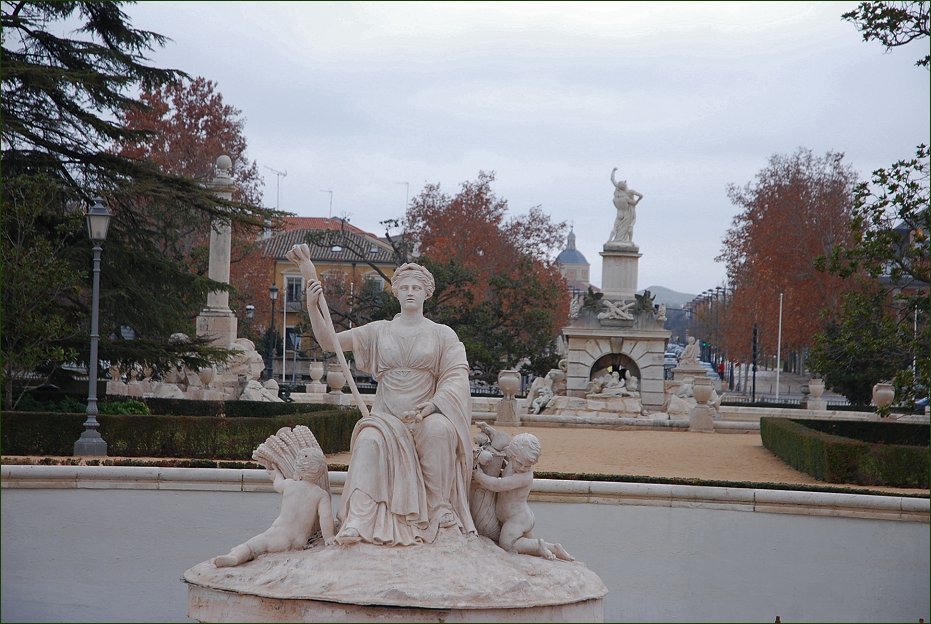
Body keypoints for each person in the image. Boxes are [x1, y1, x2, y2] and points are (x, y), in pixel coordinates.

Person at [293, 245, 475, 547]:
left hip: (424, 414)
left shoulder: (443, 334)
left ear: (427, 293)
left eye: (416, 287)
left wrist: (432, 407)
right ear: (396, 293)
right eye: (404, 287)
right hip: (386, 417)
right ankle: (358, 520)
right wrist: (313, 306)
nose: (410, 292)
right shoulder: (378, 331)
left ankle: (439, 510)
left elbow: (456, 376)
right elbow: (328, 342)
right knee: (367, 441)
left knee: (440, 431)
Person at [213, 447, 335, 567]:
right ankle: (236, 557)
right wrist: (328, 537)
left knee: (252, 547)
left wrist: (277, 474)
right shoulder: (321, 494)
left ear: (298, 469)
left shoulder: (289, 485)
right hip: (299, 542)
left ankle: (235, 557)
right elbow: (326, 518)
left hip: (278, 536)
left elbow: (277, 484)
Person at [471, 432, 573, 562]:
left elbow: (497, 485)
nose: (523, 468)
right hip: (515, 517)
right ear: (512, 455)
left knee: (507, 544)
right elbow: (503, 448)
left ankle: (538, 546)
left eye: (528, 466)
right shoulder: (512, 462)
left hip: (517, 518)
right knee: (526, 544)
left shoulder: (524, 477)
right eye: (520, 463)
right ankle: (554, 548)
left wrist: (479, 476)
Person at [608, 167, 644, 244]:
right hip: (628, 213)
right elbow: (640, 196)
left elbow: (612, 179)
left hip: (619, 213)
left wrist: (613, 171)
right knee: (629, 227)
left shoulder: (618, 192)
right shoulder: (629, 194)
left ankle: (609, 240)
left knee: (615, 227)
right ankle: (629, 241)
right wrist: (637, 201)